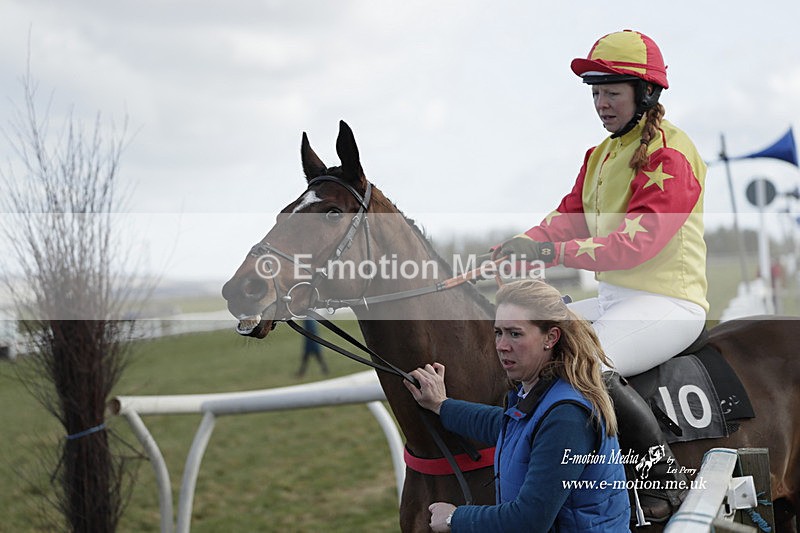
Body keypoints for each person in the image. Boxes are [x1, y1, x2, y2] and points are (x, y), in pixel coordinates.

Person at [493, 29, 707, 520]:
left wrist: (552, 254)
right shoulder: (601, 156)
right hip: (617, 300)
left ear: (645, 93)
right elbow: (568, 216)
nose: (600, 103)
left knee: (586, 362)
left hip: (669, 303)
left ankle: (663, 480)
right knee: (533, 339)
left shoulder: (670, 153)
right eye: (595, 91)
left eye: (611, 91)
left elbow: (636, 243)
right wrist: (524, 243)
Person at [405, 280, 630, 532]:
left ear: (551, 337)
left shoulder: (567, 416)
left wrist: (454, 518)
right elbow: (503, 426)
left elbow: (529, 521)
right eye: (498, 332)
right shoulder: (540, 392)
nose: (501, 345)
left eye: (515, 333)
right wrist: (440, 405)